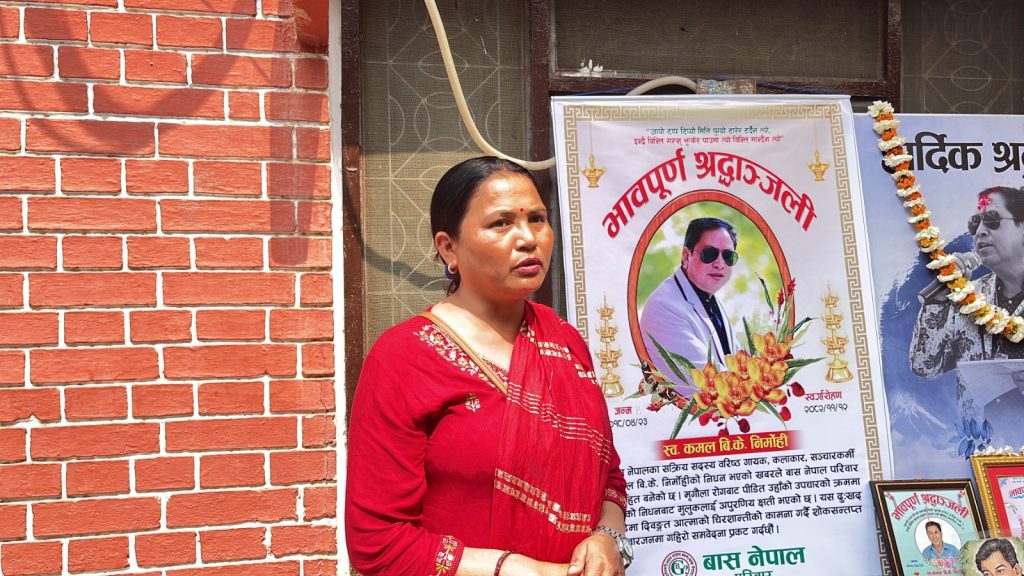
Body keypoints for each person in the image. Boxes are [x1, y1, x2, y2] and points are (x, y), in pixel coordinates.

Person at [345, 157, 630, 576]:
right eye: (501, 223)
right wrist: (523, 570)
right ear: (449, 248)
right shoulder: (405, 357)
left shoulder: (564, 342)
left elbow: (608, 476)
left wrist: (607, 537)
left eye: (537, 219)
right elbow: (378, 542)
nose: (528, 238)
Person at [909, 186, 1024, 437]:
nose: (980, 231)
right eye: (975, 223)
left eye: (992, 220)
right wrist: (937, 303)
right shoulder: (967, 296)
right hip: (978, 446)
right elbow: (924, 366)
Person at [639, 217, 740, 392]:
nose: (720, 264)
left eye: (728, 256)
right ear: (686, 256)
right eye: (709, 254)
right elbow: (708, 381)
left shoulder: (709, 298)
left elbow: (739, 361)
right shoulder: (663, 307)